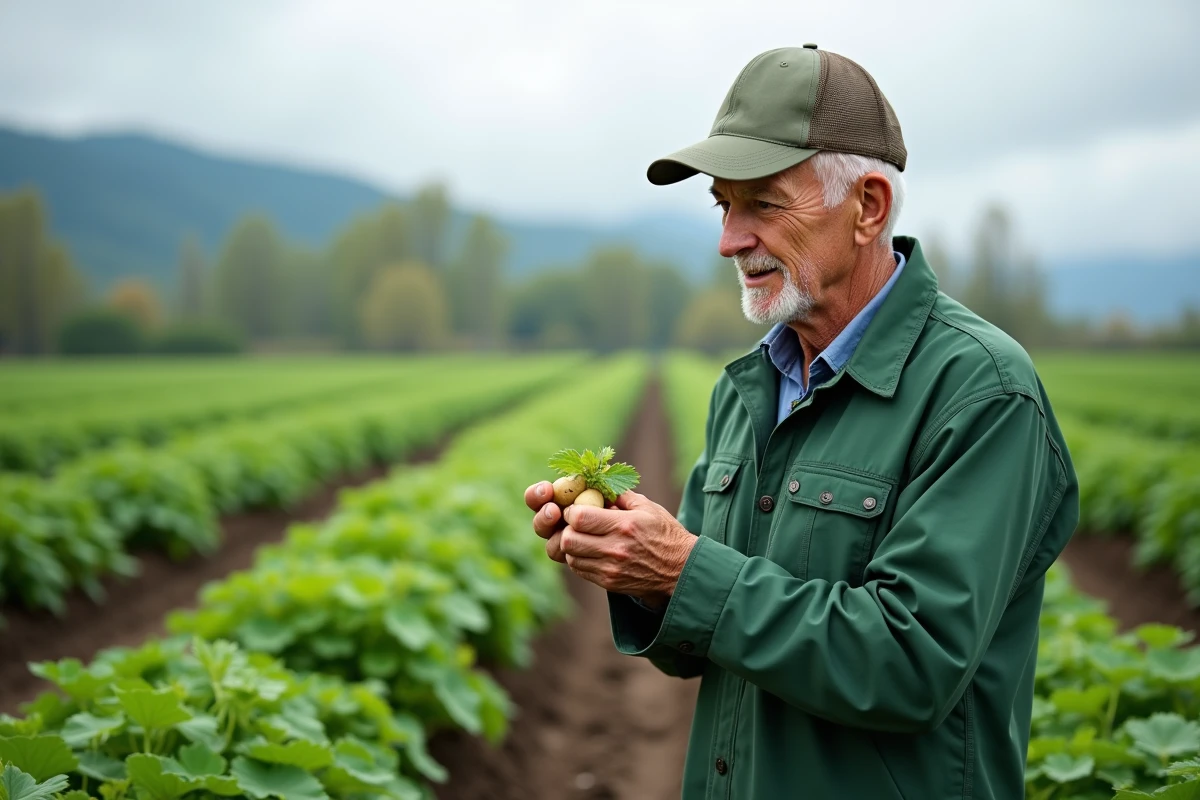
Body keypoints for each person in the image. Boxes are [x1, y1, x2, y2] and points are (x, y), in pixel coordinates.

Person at [525, 44, 1079, 799]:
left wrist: (686, 569)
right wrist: (640, 568)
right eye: (724, 204)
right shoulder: (749, 386)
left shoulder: (980, 392)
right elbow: (705, 642)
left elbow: (912, 664)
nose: (730, 239)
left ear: (869, 207)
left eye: (763, 203)